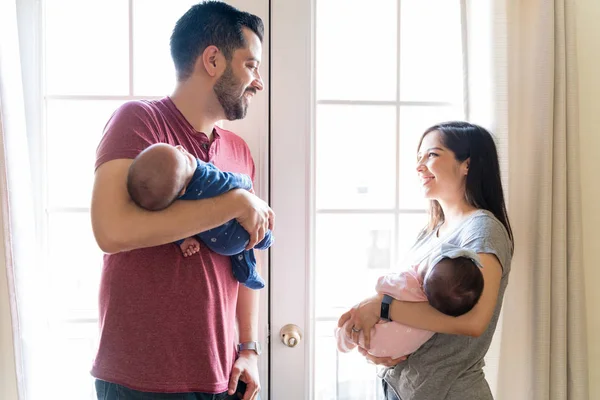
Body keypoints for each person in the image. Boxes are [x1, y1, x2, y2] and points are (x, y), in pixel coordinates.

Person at [90, 2, 271, 399]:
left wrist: (249, 349)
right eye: (251, 65)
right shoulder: (139, 121)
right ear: (212, 60)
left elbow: (247, 254)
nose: (258, 81)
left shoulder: (239, 151)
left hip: (221, 375)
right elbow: (112, 230)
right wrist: (232, 204)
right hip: (140, 379)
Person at [337, 121, 514, 400]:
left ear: (466, 164)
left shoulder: (482, 229)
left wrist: (383, 308)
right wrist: (386, 350)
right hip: (405, 389)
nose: (419, 166)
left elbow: (474, 321)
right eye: (418, 157)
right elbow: (418, 307)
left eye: (431, 155)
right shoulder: (432, 231)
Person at [127, 143, 274, 289]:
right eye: (185, 159)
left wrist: (182, 242)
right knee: (258, 236)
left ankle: (246, 272)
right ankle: (266, 241)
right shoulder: (204, 176)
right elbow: (229, 180)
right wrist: (247, 183)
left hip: (220, 245)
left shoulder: (172, 201)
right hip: (237, 232)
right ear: (182, 190)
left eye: (176, 149)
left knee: (242, 250)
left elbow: (174, 226)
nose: (180, 148)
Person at [335, 243, 484, 359]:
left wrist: (380, 304)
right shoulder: (440, 305)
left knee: (351, 323)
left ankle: (341, 339)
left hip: (378, 339)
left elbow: (381, 285)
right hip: (396, 352)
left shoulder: (408, 283)